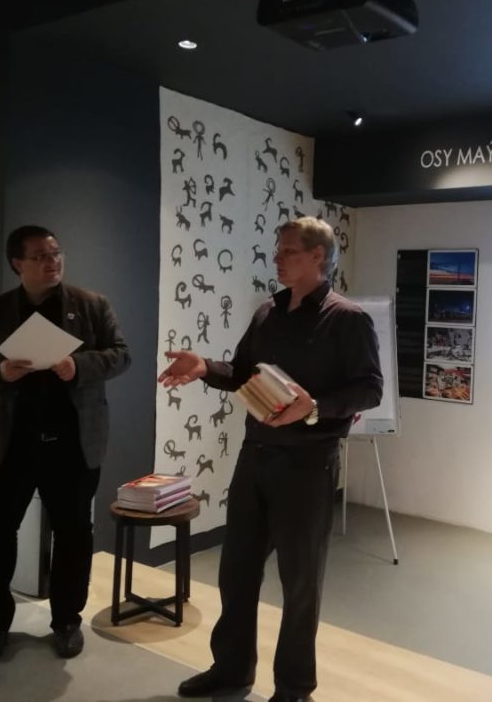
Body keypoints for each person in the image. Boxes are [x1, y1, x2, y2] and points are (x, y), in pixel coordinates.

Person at [158, 217, 382, 702]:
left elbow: (370, 389)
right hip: (255, 457)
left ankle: (294, 688)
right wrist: (204, 367)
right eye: (278, 251)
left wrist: (315, 407)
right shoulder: (268, 311)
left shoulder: (347, 319)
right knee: (236, 571)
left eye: (288, 251)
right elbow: (242, 373)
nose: (276, 259)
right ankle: (231, 669)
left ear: (318, 256)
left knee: (300, 583)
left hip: (308, 466)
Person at [0, 225, 130, 661]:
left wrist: (79, 366)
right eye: (40, 256)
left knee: (74, 534)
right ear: (17, 263)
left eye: (56, 253)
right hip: (7, 443)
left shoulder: (92, 305)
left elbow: (121, 355)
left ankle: (67, 619)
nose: (52, 262)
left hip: (72, 443)